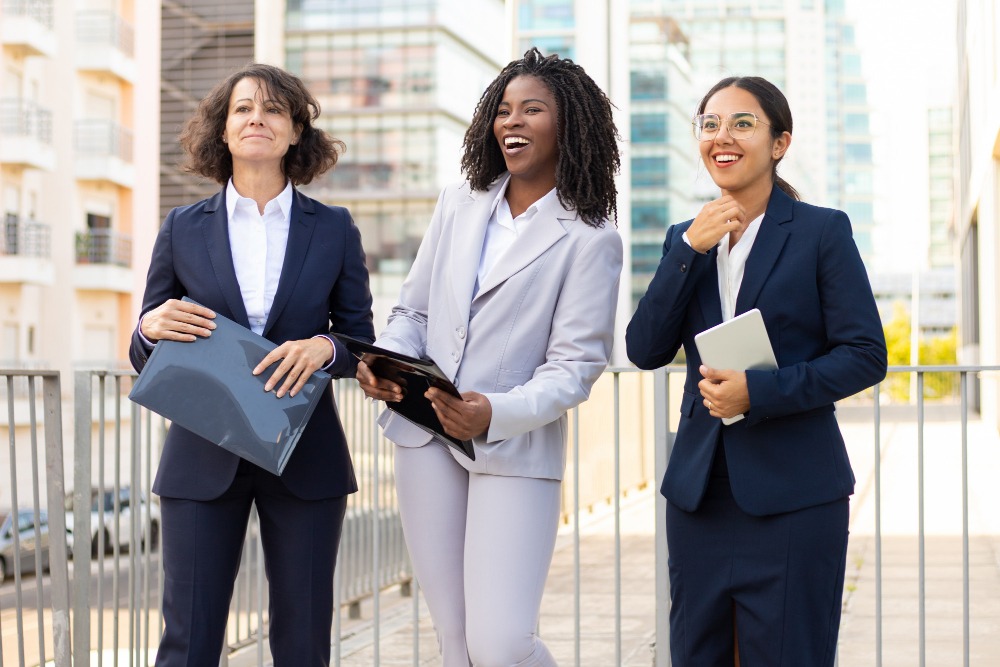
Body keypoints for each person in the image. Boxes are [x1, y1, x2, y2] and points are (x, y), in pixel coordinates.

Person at [355, 48, 623, 666]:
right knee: (454, 641)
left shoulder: (590, 238)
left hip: (512, 449)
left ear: (570, 126)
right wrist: (385, 363)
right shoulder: (460, 202)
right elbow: (413, 311)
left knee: (500, 644)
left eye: (532, 110)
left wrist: (492, 413)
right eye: (503, 111)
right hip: (424, 436)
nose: (512, 123)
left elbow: (576, 367)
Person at [626, 76, 887, 666]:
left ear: (779, 143)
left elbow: (866, 353)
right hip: (699, 498)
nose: (723, 136)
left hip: (796, 497)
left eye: (743, 123)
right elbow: (644, 348)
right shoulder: (683, 239)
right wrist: (688, 251)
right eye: (711, 124)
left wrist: (758, 390)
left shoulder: (821, 232)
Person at [128, 63, 374, 666]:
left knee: (303, 642)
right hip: (201, 455)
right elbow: (144, 352)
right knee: (187, 642)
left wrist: (328, 349)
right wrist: (146, 328)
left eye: (272, 109)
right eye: (242, 109)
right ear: (225, 130)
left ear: (295, 132)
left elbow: (361, 341)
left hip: (305, 452)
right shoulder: (183, 228)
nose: (256, 118)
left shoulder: (335, 228)